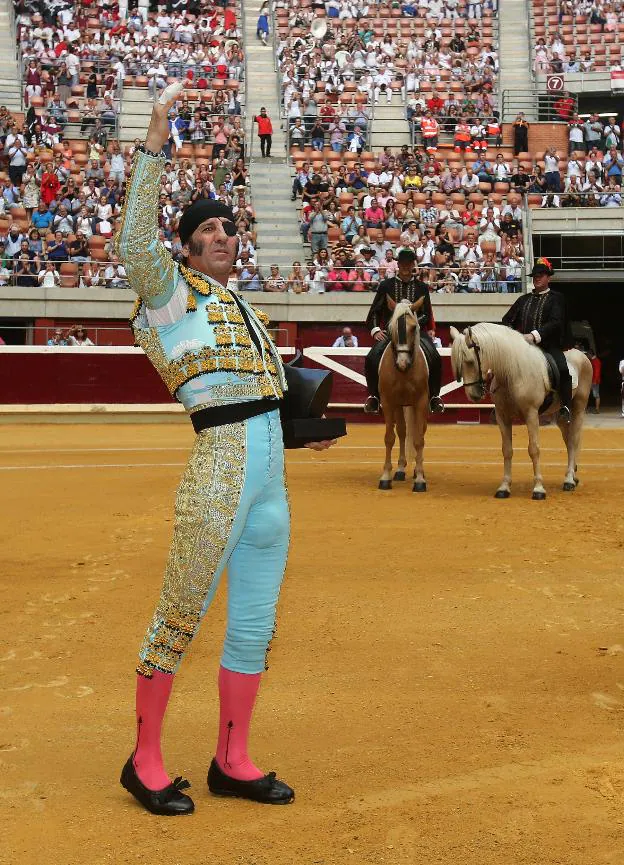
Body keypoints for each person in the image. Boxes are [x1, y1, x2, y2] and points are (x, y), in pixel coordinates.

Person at [115, 82, 335, 817]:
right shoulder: (168, 292)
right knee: (182, 610)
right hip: (220, 461)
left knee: (253, 620)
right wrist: (154, 136)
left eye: (227, 227)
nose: (219, 235)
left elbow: (267, 386)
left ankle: (231, 757)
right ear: (184, 246)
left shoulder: (244, 302)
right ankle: (144, 758)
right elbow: (132, 243)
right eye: (204, 229)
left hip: (269, 465)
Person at [363, 247, 445, 414]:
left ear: (413, 265)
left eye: (409, 264)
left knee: (435, 356)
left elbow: (426, 314)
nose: (406, 267)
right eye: (403, 264)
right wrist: (376, 330)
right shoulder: (386, 285)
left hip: (414, 331)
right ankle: (374, 396)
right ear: (398, 265)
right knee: (372, 357)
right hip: (391, 333)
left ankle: (434, 397)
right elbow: (374, 312)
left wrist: (412, 324)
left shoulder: (421, 287)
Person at [501, 257, 572, 422]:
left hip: (548, 346)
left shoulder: (556, 298)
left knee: (562, 369)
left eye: (541, 275)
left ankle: (566, 406)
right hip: (524, 347)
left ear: (549, 277)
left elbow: (555, 323)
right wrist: (513, 337)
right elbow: (507, 320)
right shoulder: (523, 299)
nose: (537, 278)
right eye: (535, 275)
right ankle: (503, 403)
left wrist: (534, 336)